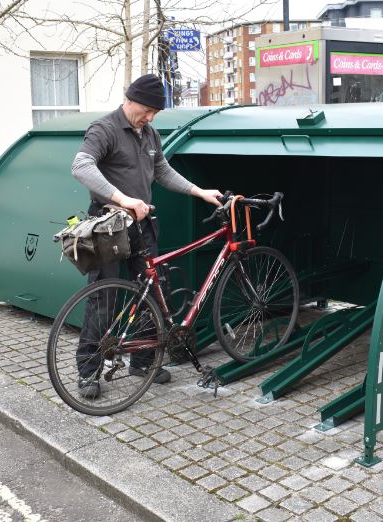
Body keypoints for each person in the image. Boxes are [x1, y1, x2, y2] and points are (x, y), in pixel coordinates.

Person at [71, 74, 222, 398]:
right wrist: (123, 199)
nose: (152, 117)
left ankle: (142, 363)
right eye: (148, 110)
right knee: (103, 299)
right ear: (130, 100)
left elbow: (162, 171)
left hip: (142, 228)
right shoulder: (105, 129)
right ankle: (89, 372)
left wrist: (199, 191)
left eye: (156, 112)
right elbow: (81, 166)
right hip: (108, 226)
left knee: (152, 292)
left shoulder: (149, 134)